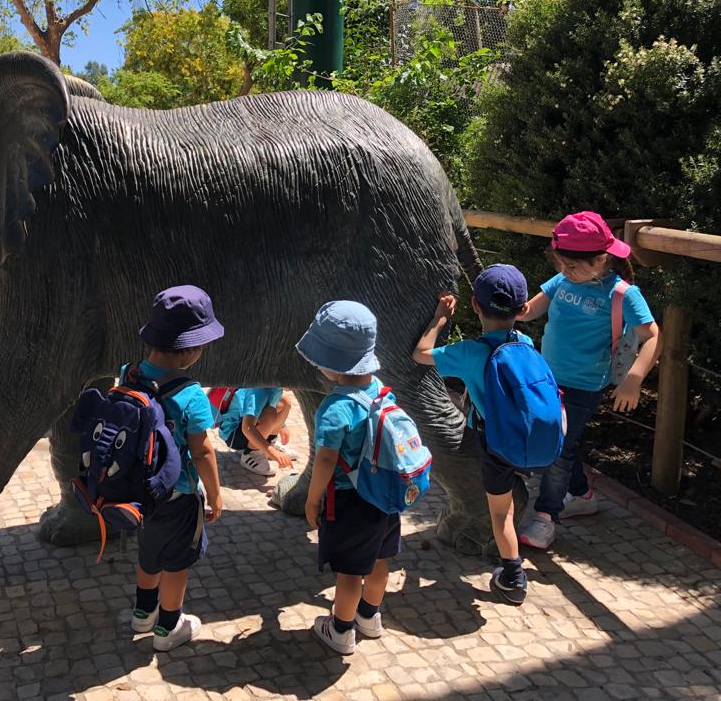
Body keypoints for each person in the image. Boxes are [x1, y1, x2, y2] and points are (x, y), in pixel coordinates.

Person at [517, 211, 660, 550]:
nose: (566, 273)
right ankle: (582, 494)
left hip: (584, 385)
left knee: (558, 448)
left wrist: (634, 380)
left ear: (601, 259)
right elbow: (531, 309)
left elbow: (653, 336)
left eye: (574, 267)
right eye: (561, 265)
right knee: (561, 445)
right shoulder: (563, 281)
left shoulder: (622, 293)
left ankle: (545, 516)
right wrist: (503, 307)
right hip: (546, 377)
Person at [412, 264, 532, 604]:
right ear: (523, 310)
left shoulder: (469, 353)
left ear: (475, 307)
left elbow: (420, 355)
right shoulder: (525, 341)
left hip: (494, 445)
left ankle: (512, 577)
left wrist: (439, 318)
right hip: (524, 437)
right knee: (506, 497)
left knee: (498, 512)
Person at [297, 301, 398, 655]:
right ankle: (370, 617)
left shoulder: (335, 408)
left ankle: (340, 630)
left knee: (350, 573)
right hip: (384, 493)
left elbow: (325, 459)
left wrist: (312, 498)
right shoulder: (381, 390)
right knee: (381, 561)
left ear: (330, 362)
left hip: (351, 500)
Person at [129, 285, 224, 651]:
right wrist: (215, 494)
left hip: (138, 489)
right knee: (176, 562)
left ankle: (142, 613)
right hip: (179, 494)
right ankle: (169, 628)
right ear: (192, 349)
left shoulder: (130, 372)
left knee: (149, 553)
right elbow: (202, 453)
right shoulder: (192, 395)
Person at [216, 387, 296, 475]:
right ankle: (251, 454)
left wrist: (282, 425)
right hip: (233, 435)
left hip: (245, 425)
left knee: (285, 401)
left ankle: (267, 444)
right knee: (270, 413)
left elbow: (273, 403)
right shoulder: (258, 390)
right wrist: (273, 452)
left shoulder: (275, 387)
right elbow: (247, 427)